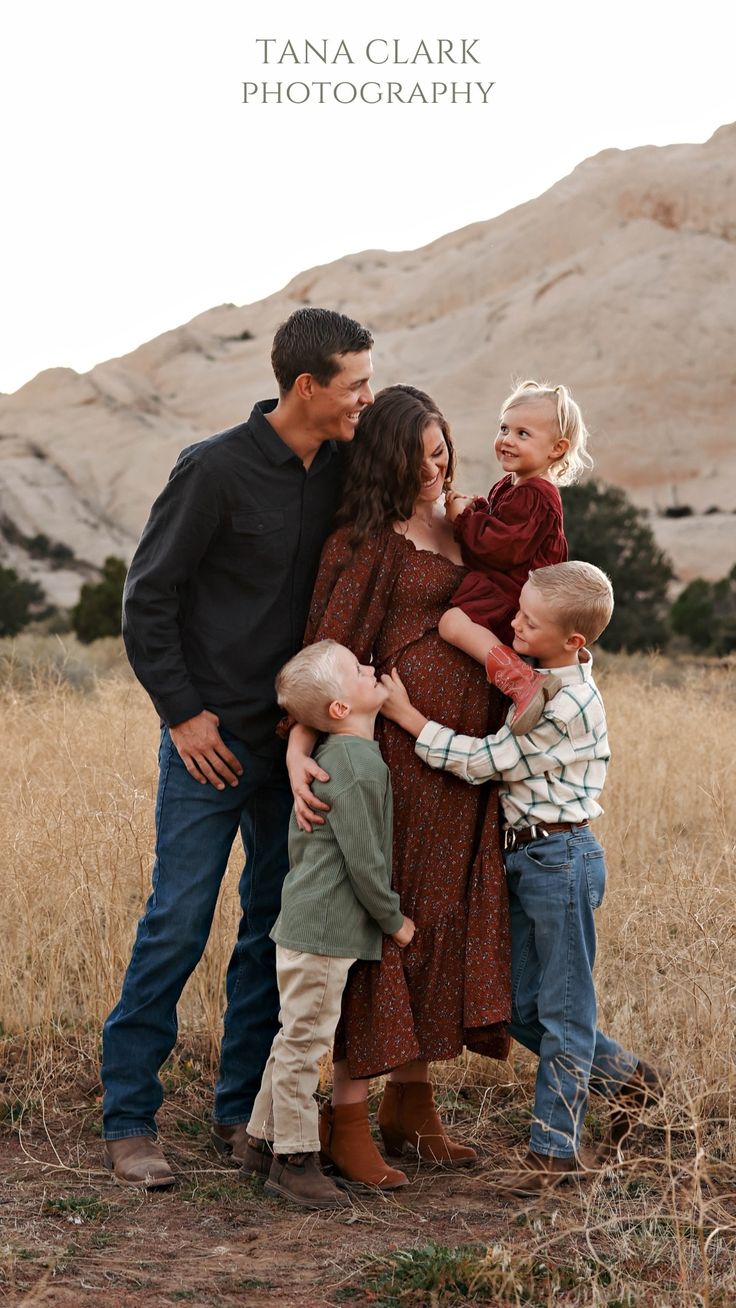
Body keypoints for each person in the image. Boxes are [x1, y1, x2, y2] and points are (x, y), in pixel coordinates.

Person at [101, 307, 375, 1188]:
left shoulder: (341, 472)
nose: (363, 400)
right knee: (177, 922)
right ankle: (129, 1117)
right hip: (207, 746)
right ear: (306, 386)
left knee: (270, 930)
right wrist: (183, 715)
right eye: (354, 385)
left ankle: (237, 1111)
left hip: (295, 748)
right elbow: (147, 601)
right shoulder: (211, 470)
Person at [286, 384, 512, 1188]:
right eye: (418, 454)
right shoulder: (367, 539)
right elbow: (325, 653)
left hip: (464, 763)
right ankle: (346, 1118)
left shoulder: (466, 526)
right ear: (386, 459)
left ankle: (412, 1107)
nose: (435, 464)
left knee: (444, 916)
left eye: (441, 446)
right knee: (391, 925)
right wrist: (298, 747)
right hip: (399, 770)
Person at [380, 560, 663, 1196]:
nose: (513, 624)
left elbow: (489, 762)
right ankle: (623, 1076)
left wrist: (406, 717)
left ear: (574, 643)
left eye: (528, 622)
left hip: (560, 861)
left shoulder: (564, 702)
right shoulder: (537, 683)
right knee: (514, 1006)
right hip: (527, 858)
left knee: (563, 1010)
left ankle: (555, 1153)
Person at [246, 640, 415, 1210]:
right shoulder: (357, 767)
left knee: (290, 1036)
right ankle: (294, 1161)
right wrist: (393, 920)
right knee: (304, 1042)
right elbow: (364, 861)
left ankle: (259, 1141)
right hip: (323, 931)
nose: (371, 667)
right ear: (341, 709)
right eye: (359, 670)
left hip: (305, 922)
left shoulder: (335, 757)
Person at [440, 379, 591, 735]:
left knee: (453, 624)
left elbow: (502, 547)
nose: (507, 439)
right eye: (504, 428)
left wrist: (463, 519)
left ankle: (521, 680)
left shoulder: (538, 494)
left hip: (518, 595)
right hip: (509, 587)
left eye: (523, 433)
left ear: (557, 448)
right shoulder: (512, 484)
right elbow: (497, 520)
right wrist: (475, 506)